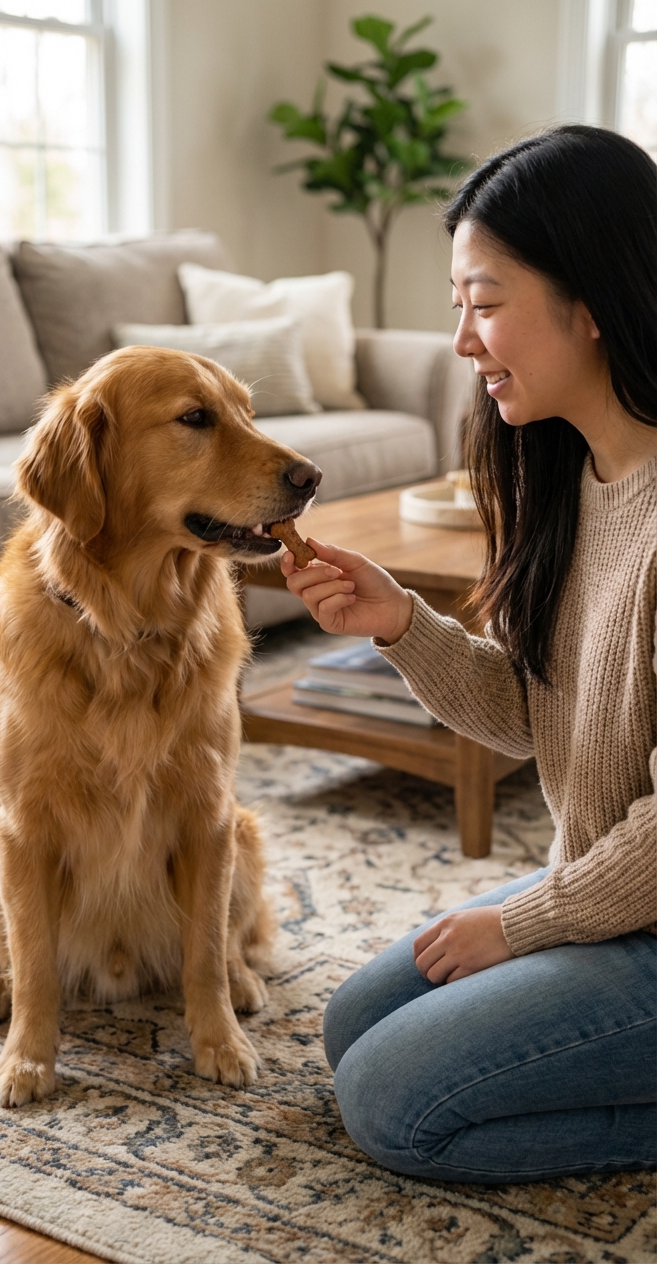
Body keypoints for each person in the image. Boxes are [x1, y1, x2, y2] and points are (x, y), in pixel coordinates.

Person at [281, 124, 657, 1184]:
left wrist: (519, 921)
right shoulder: (572, 478)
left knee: (394, 1105)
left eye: (482, 304)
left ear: (588, 304)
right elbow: (538, 713)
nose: (459, 342)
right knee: (353, 1025)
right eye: (458, 306)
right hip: (614, 908)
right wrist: (399, 621)